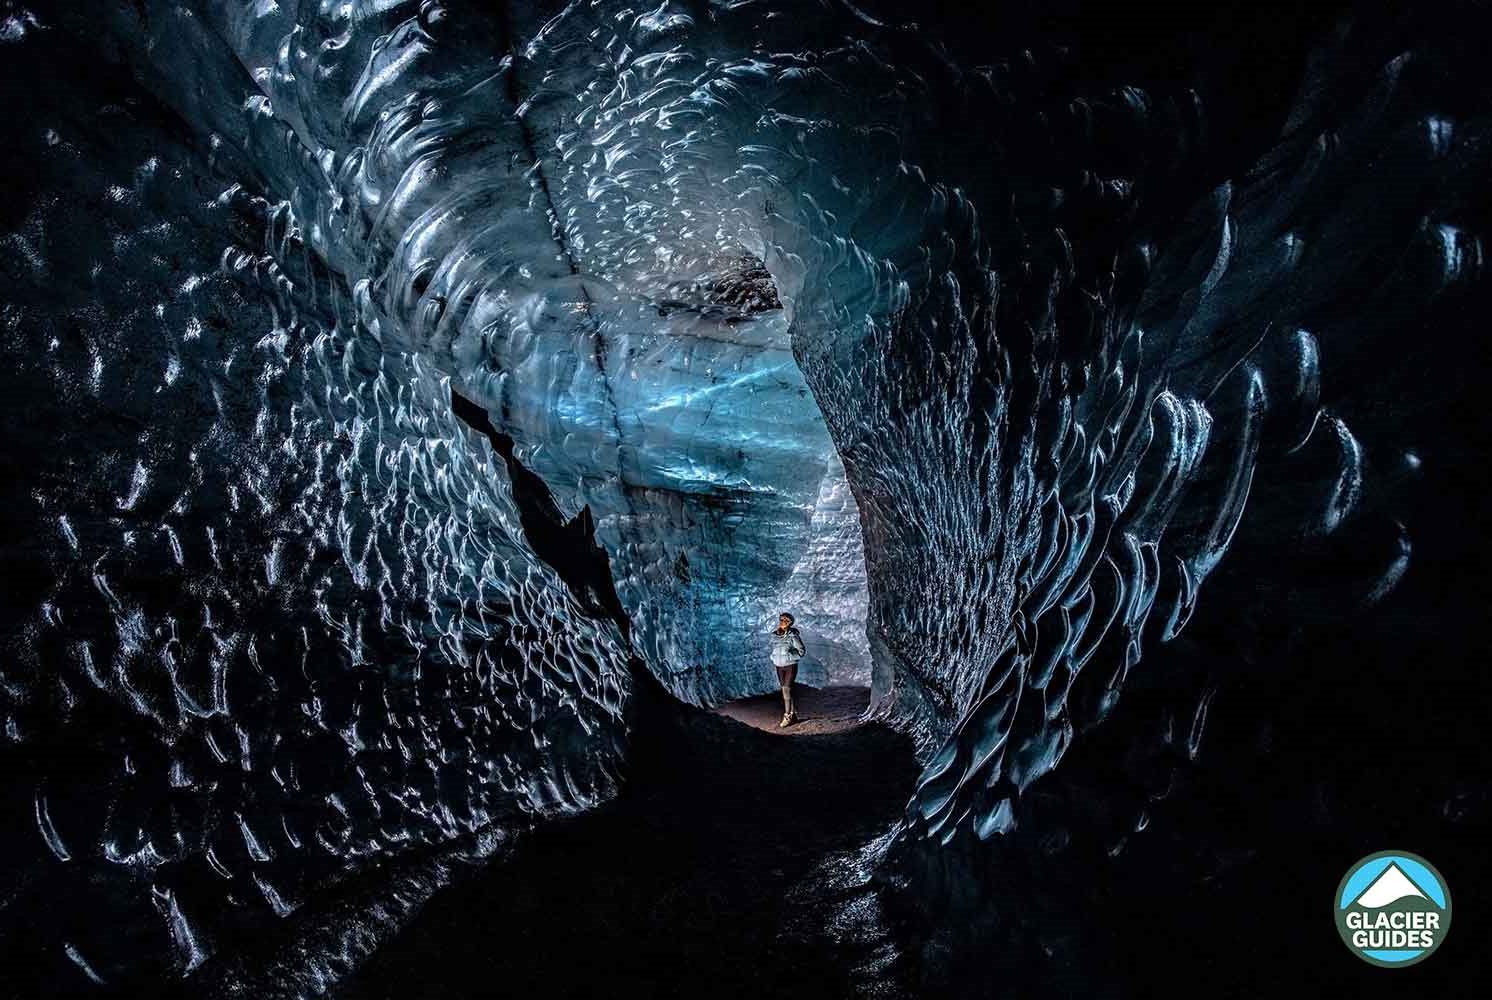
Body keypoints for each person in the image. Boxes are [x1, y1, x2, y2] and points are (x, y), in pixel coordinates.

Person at [769, 612, 806, 727]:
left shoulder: (793, 636)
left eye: (785, 621)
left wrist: (789, 657)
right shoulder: (775, 635)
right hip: (779, 666)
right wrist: (773, 657)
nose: (782, 622)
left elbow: (801, 651)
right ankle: (793, 714)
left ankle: (787, 716)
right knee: (786, 691)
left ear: (790, 623)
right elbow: (774, 649)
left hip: (790, 666)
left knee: (786, 690)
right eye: (781, 620)